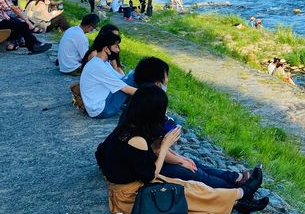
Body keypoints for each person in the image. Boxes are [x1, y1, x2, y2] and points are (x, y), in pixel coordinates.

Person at [95, 84, 269, 214]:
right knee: (189, 193)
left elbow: (114, 156)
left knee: (192, 186)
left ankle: (239, 200)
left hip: (129, 188)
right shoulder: (137, 139)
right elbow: (149, 176)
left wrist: (158, 148)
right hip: (130, 196)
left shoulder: (126, 128)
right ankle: (242, 193)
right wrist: (164, 146)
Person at [80, 32, 136, 118]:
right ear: (106, 49)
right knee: (135, 75)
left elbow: (120, 78)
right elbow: (126, 89)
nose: (118, 50)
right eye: (116, 47)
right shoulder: (98, 66)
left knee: (134, 74)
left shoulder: (102, 62)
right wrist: (151, 93)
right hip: (102, 110)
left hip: (102, 103)